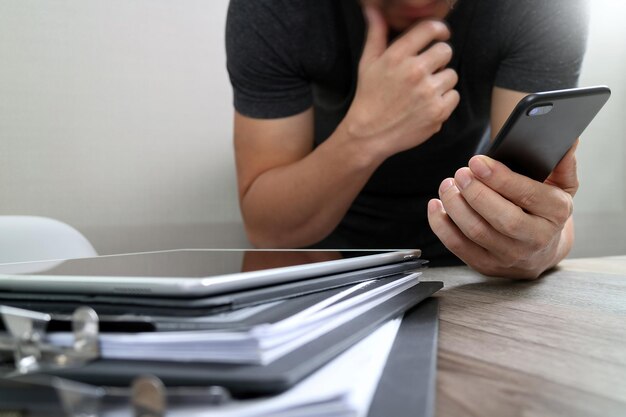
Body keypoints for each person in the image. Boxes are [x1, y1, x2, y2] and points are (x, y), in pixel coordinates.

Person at [225, 0, 589, 279]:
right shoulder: (275, 9)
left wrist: (539, 248)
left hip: (474, 241)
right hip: (321, 249)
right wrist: (366, 134)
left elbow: (543, 215)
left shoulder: (548, 7)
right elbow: (267, 229)